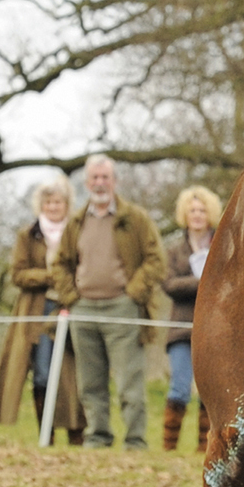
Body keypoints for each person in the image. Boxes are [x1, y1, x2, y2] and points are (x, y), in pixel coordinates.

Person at [50, 154, 164, 449]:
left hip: (122, 309)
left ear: (114, 181)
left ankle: (135, 441)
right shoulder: (76, 221)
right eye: (94, 178)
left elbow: (155, 260)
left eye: (105, 177)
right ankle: (98, 437)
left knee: (129, 382)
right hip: (83, 309)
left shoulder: (134, 218)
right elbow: (60, 264)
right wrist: (72, 297)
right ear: (87, 182)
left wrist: (133, 293)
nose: (99, 183)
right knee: (90, 383)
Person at [0, 175, 87, 444]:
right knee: (42, 371)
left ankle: (77, 432)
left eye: (58, 202)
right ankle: (47, 434)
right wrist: (50, 276)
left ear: (67, 205)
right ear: (41, 205)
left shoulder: (77, 232)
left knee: (72, 374)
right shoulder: (28, 234)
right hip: (37, 310)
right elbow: (18, 274)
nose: (53, 207)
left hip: (70, 307)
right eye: (48, 202)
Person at [161, 185, 222, 453]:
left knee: (209, 392)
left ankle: (203, 448)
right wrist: (201, 282)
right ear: (184, 214)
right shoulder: (174, 250)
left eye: (202, 210)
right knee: (179, 387)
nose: (197, 215)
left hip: (215, 329)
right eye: (192, 210)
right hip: (181, 329)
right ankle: (168, 448)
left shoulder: (223, 245)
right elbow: (169, 284)